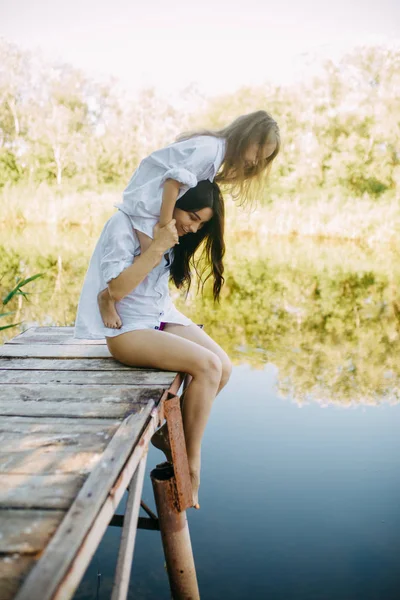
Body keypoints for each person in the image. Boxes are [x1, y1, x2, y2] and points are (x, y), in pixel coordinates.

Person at [75, 180, 228, 508]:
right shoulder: (124, 224)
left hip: (158, 315)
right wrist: (158, 246)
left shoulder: (170, 228)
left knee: (223, 367)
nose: (193, 226)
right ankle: (190, 463)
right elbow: (114, 291)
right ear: (171, 200)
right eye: (192, 215)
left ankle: (169, 437)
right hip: (127, 331)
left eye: (201, 223)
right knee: (207, 366)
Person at [97, 109, 280, 330]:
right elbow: (172, 182)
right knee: (151, 256)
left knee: (155, 260)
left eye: (265, 159)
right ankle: (109, 299)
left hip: (150, 203)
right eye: (259, 152)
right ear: (247, 136)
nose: (257, 161)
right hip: (144, 202)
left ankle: (147, 313)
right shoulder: (209, 150)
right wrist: (166, 227)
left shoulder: (215, 154)